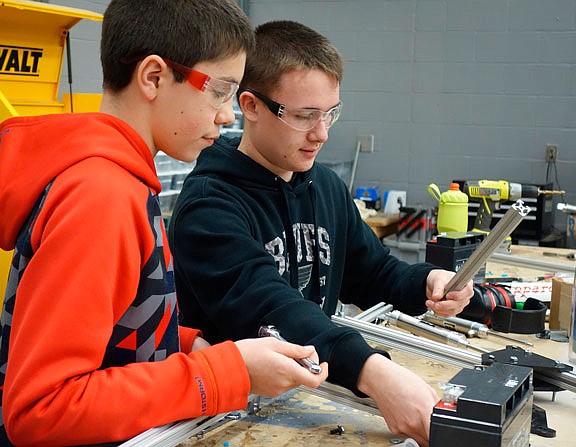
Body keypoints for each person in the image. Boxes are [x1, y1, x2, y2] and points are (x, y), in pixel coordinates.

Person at [0, 3, 329, 446]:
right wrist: (223, 373)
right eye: (219, 91)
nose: (226, 115)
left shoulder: (122, 180)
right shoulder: (100, 196)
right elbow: (43, 408)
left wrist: (187, 347)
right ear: (154, 77)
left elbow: (109, 330)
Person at [168, 20, 474, 447]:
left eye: (331, 112)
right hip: (221, 419)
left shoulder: (325, 186)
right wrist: (375, 373)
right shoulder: (210, 205)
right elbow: (273, 310)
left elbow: (374, 272)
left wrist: (428, 281)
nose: (322, 133)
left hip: (302, 395)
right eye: (304, 116)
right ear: (251, 106)